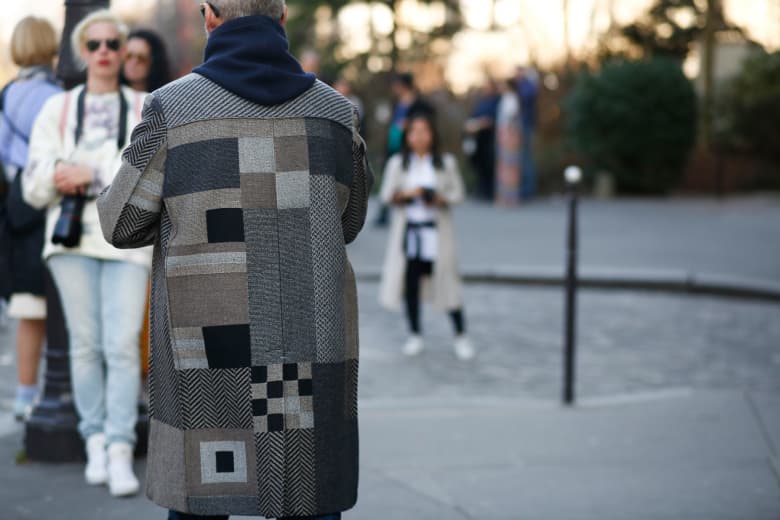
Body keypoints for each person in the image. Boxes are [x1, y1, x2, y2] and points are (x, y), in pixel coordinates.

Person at [97, 1, 371, 518]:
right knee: (308, 497)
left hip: (207, 347)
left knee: (203, 499)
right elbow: (349, 222)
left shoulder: (170, 109)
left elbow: (120, 223)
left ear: (210, 17)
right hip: (310, 345)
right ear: (283, 18)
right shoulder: (336, 113)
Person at [22, 10, 151, 498]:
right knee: (84, 343)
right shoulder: (56, 110)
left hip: (128, 242)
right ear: (82, 51)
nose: (103, 52)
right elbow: (33, 184)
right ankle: (94, 438)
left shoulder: (144, 107)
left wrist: (88, 173)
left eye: (112, 44)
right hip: (70, 241)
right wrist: (60, 172)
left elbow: (143, 172)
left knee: (120, 345)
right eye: (94, 43)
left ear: (123, 52)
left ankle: (119, 447)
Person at [0, 16, 62, 422]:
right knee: (59, 302)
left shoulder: (6, 96)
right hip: (53, 201)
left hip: (18, 209)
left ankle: (24, 395)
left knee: (27, 308)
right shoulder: (58, 95)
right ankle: (60, 388)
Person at [378, 111, 475, 361]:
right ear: (407, 136)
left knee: (448, 282)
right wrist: (410, 194)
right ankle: (415, 333)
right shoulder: (398, 163)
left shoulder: (445, 162)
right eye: (414, 131)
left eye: (424, 131)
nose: (419, 137)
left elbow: (458, 195)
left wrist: (437, 197)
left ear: (432, 135)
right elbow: (387, 196)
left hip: (437, 232)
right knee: (410, 285)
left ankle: (460, 335)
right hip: (410, 232)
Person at [464, 79, 499, 201]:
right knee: (478, 165)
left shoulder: (496, 101)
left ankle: (489, 191)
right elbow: (474, 115)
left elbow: (493, 119)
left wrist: (481, 124)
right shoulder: (481, 102)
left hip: (490, 138)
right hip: (478, 139)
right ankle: (481, 189)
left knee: (489, 165)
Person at [495, 78, 522, 206]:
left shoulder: (511, 98)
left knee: (510, 168)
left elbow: (511, 119)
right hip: (505, 134)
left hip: (508, 136)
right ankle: (505, 197)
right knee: (505, 167)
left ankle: (510, 198)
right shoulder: (506, 98)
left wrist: (508, 136)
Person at [515, 66, 539, 200]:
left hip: (526, 126)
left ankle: (528, 191)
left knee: (526, 158)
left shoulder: (528, 86)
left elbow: (525, 98)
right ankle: (523, 189)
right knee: (522, 158)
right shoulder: (523, 86)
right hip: (522, 126)